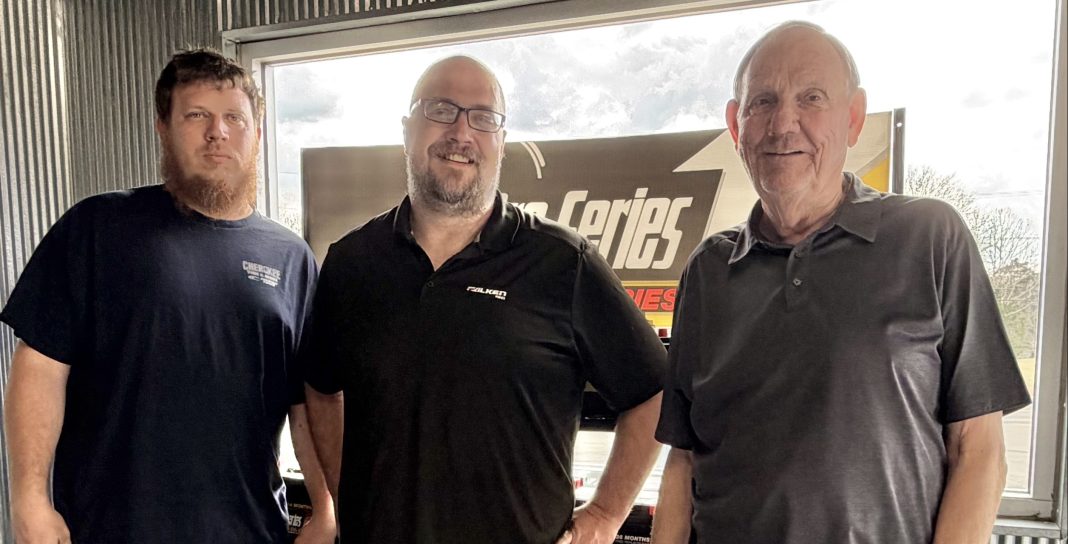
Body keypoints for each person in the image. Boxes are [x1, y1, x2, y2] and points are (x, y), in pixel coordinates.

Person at [651, 21, 1031, 544]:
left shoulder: (929, 237)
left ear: (853, 119)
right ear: (736, 127)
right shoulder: (708, 270)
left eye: (811, 98)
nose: (783, 123)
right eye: (763, 101)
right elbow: (683, 460)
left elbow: (979, 448)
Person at [302, 55, 667, 544]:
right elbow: (322, 388)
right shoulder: (352, 263)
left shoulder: (563, 263)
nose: (461, 132)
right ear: (407, 130)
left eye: (483, 117)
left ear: (502, 142)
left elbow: (653, 393)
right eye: (440, 110)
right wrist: (348, 498)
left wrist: (604, 513)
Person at [1, 49, 335, 543]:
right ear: (163, 127)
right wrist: (29, 498)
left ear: (258, 134)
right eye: (196, 115)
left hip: (248, 529)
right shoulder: (98, 227)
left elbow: (304, 402)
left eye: (234, 118)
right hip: (110, 528)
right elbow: (40, 367)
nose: (217, 132)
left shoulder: (292, 258)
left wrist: (325, 507)